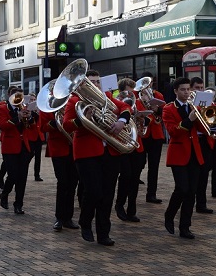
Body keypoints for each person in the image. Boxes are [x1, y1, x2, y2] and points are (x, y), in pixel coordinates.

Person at [63, 69, 131, 246]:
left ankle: (103, 233)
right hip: (86, 153)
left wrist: (121, 122)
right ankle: (85, 222)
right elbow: (66, 125)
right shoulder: (74, 101)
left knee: (107, 194)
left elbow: (124, 107)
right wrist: (81, 119)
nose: (95, 85)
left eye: (97, 81)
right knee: (93, 191)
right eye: (90, 82)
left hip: (110, 151)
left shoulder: (107, 97)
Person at [162, 77, 205, 240]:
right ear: (175, 91)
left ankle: (185, 227)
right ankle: (169, 215)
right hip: (178, 153)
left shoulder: (194, 106)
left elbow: (202, 128)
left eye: (188, 89)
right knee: (182, 188)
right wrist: (190, 119)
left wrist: (203, 115)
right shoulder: (168, 109)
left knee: (191, 192)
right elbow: (173, 131)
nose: (187, 92)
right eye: (183, 90)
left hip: (195, 152)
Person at [41, 104, 79, 232]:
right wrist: (56, 122)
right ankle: (59, 218)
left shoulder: (70, 105)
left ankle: (68, 217)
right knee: (62, 183)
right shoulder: (48, 107)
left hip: (73, 148)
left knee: (73, 182)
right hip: (58, 149)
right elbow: (43, 127)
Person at [114, 78, 146, 223]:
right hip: (122, 144)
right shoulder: (116, 103)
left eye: (132, 90)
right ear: (121, 91)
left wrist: (142, 120)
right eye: (128, 90)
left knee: (134, 178)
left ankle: (132, 210)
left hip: (136, 144)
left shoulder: (137, 102)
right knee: (125, 176)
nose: (131, 93)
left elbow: (149, 119)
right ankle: (119, 205)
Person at [0, 88, 34, 215]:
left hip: (24, 146)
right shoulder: (3, 108)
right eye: (15, 96)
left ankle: (18, 204)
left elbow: (31, 126)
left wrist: (29, 118)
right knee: (12, 175)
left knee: (22, 177)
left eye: (20, 96)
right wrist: (17, 118)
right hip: (9, 146)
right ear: (9, 95)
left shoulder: (23, 107)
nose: (18, 99)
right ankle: (5, 194)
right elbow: (2, 126)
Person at [138, 72, 166, 204]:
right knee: (139, 163)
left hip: (156, 134)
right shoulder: (136, 96)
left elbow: (164, 112)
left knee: (154, 166)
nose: (149, 85)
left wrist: (157, 110)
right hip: (142, 134)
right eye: (146, 83)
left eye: (150, 83)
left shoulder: (158, 95)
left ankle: (151, 194)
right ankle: (133, 189)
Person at [189, 77, 214, 214]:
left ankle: (201, 204)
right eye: (197, 88)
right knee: (194, 175)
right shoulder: (189, 104)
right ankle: (191, 202)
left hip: (205, 140)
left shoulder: (207, 102)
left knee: (204, 174)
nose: (200, 90)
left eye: (201, 88)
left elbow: (215, 118)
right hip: (193, 141)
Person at [26, 92, 44, 182]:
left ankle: (37, 174)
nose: (33, 101)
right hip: (30, 135)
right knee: (29, 155)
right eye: (31, 100)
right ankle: (24, 169)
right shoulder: (27, 110)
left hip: (38, 135)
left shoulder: (39, 109)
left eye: (34, 100)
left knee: (38, 156)